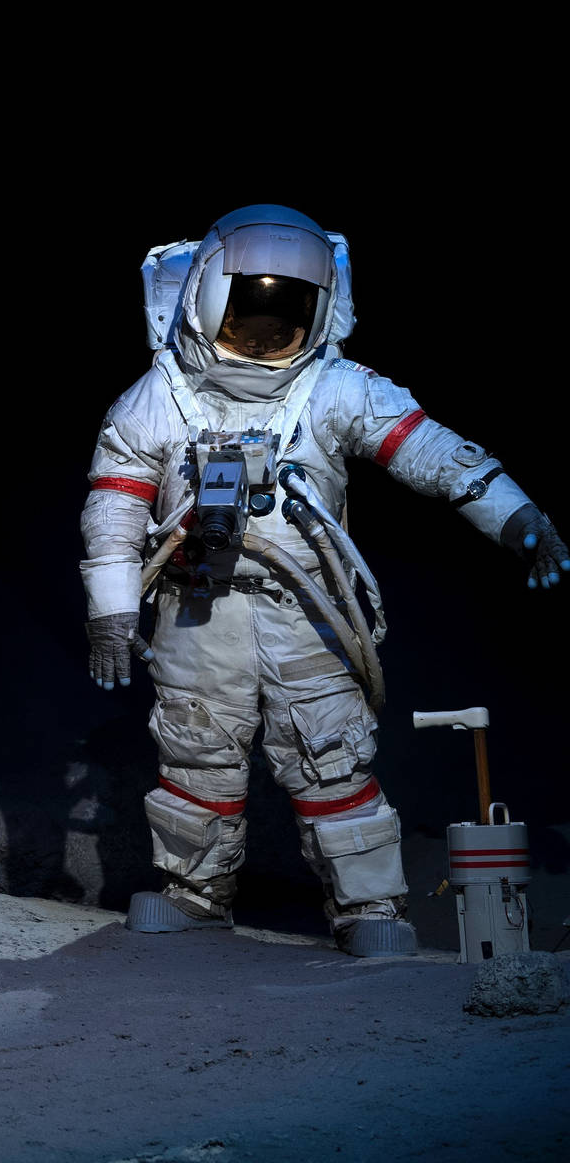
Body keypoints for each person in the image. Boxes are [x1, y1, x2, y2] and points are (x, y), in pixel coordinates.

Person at [79, 204, 568, 957]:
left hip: (302, 608)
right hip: (199, 608)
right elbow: (112, 516)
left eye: (284, 322)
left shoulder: (333, 389)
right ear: (207, 297)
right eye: (247, 319)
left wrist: (515, 515)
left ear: (319, 312)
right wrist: (111, 611)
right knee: (196, 755)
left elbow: (432, 455)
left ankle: (370, 910)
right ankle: (196, 896)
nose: (265, 338)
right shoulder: (159, 398)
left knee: (329, 755)